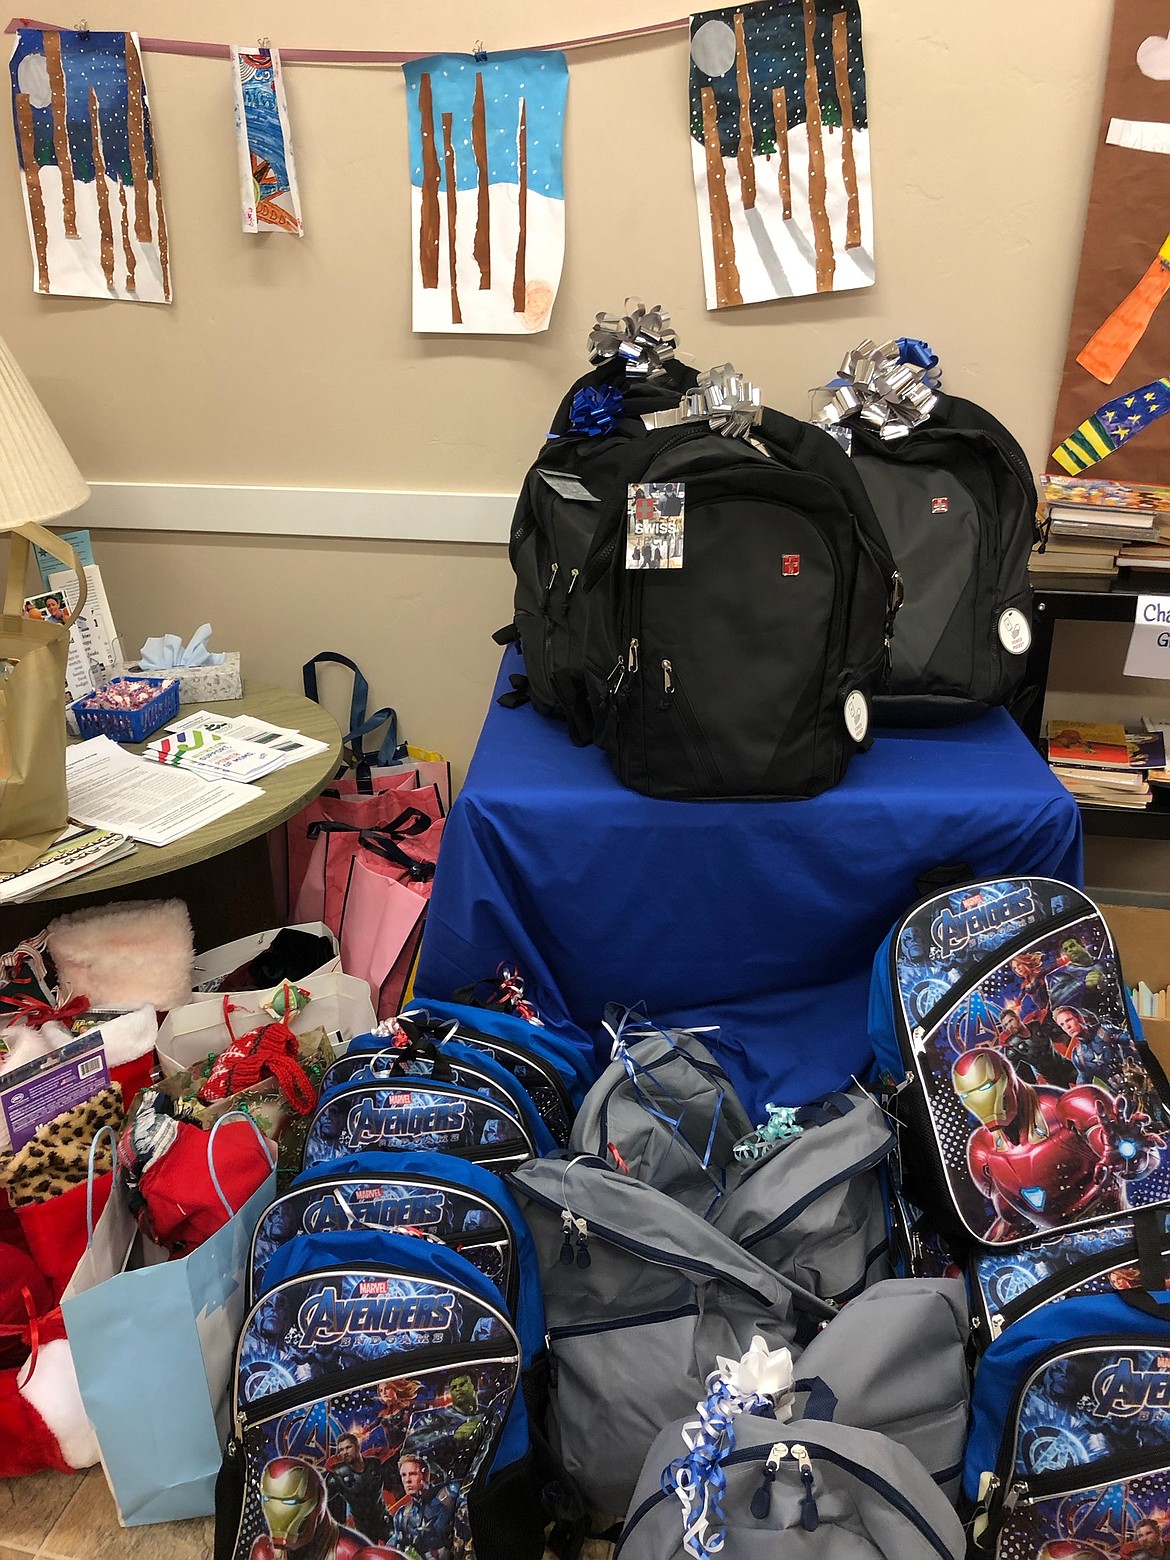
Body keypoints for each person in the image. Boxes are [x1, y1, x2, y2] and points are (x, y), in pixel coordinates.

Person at [952, 1048, 1164, 1240]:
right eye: (967, 1095)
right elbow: (1012, 1219)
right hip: (1052, 1248)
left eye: (988, 1086)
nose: (982, 1100)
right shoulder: (982, 1149)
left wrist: (1129, 1151)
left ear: (1008, 1076)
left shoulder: (1072, 1106)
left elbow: (1125, 1157)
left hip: (1111, 1234)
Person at [249, 1457, 405, 1560]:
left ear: (317, 1505)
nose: (289, 1542)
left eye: (301, 1528)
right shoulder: (266, 1552)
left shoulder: (350, 1553)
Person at [389, 1455, 460, 1560]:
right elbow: (393, 1548)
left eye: (412, 1474)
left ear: (426, 1475)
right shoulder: (402, 1516)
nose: (407, 1480)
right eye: (403, 1475)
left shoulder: (451, 1492)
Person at [325, 1434, 393, 1542]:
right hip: (363, 1531)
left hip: (384, 1521)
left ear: (357, 1446)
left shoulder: (375, 1464)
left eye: (348, 1447)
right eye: (341, 1450)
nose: (345, 1452)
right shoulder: (338, 1476)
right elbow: (320, 1499)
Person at [994, 1007, 1077, 1089]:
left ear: (1017, 1018)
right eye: (1006, 1025)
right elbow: (1009, 1071)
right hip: (1053, 1080)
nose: (1010, 1026)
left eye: (1010, 1021)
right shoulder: (1012, 1047)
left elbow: (1062, 1036)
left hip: (1066, 1066)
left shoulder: (1037, 1026)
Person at [1053, 1006, 1129, 1091]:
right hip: (1121, 1095)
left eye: (1068, 1020)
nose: (1067, 1026)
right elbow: (1083, 1083)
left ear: (1079, 1018)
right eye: (1062, 1025)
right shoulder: (1078, 1056)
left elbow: (1131, 1041)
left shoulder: (1104, 1030)